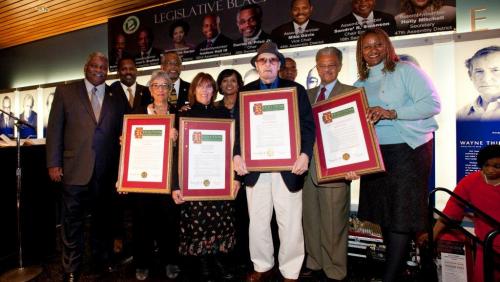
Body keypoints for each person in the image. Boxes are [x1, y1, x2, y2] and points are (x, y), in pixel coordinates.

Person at [353, 28, 441, 282]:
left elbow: (433, 104)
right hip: (377, 154)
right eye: (367, 46)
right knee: (384, 214)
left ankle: (389, 277)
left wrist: (391, 112)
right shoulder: (358, 84)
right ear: (360, 52)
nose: (373, 50)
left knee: (402, 214)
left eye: (378, 44)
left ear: (387, 46)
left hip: (408, 149)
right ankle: (395, 269)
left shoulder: (406, 71)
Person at [233, 42, 315, 282]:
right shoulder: (245, 92)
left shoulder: (295, 90)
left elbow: (308, 128)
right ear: (256, 65)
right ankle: (262, 265)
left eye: (272, 60)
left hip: (288, 167)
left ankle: (290, 270)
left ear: (279, 64)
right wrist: (236, 154)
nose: (267, 64)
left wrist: (305, 154)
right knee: (257, 221)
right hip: (254, 168)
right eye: (262, 60)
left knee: (289, 222)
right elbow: (237, 130)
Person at [46, 52, 128, 282]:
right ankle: (71, 267)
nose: (99, 70)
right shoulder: (66, 91)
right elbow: (55, 129)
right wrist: (53, 163)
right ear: (86, 67)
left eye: (103, 67)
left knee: (103, 220)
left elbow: (126, 130)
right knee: (72, 222)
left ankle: (102, 259)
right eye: (94, 65)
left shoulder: (116, 95)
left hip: (106, 171)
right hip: (74, 169)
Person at [172, 72, 240, 282]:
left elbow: (233, 148)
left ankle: (218, 259)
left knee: (220, 222)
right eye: (201, 87)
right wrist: (175, 185)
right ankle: (204, 262)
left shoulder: (223, 115)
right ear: (193, 90)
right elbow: (176, 155)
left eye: (209, 87)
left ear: (214, 90)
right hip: (192, 181)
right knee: (198, 223)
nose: (205, 91)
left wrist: (236, 177)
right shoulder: (184, 114)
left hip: (219, 180)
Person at [302, 47, 357, 282]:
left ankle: (335, 269)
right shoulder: (306, 94)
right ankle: (315, 262)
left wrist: (356, 163)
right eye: (322, 65)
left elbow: (357, 133)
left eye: (332, 65)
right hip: (307, 170)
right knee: (311, 220)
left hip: (336, 168)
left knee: (334, 223)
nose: (327, 69)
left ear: (340, 66)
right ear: (316, 66)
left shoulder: (352, 93)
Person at [419, 144, 500, 282]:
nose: (490, 170)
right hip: (485, 246)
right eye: (486, 165)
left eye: (497, 166)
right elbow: (451, 210)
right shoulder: (470, 181)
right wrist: (434, 234)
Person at [130, 70, 181, 281]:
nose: (161, 89)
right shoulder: (138, 113)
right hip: (145, 178)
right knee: (143, 221)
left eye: (165, 86)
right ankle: (142, 263)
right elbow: (130, 146)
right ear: (150, 89)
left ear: (170, 90)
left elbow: (185, 150)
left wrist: (177, 139)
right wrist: (125, 140)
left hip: (169, 179)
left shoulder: (178, 114)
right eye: (156, 85)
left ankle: (170, 261)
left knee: (169, 222)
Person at [457, 46, 500, 121]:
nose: (486, 79)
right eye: (479, 71)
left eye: (495, 70)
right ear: (470, 75)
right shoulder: (461, 114)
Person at [331, 0, 396, 41]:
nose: (363, 2)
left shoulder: (389, 19)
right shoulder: (337, 26)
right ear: (351, 2)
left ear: (374, 1)